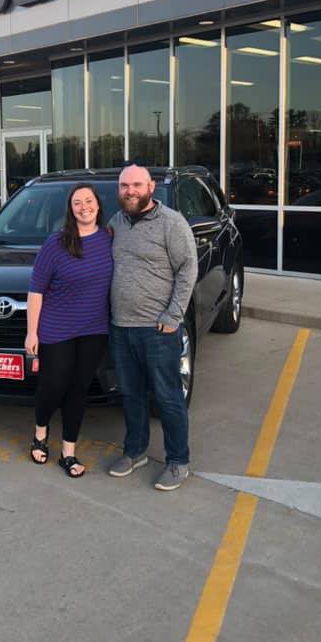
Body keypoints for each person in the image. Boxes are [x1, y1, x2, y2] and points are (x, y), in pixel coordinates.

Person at [107, 164, 198, 491]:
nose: (129, 191)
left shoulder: (171, 222)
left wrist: (173, 316)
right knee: (131, 394)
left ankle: (178, 461)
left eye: (136, 185)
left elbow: (188, 268)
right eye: (124, 186)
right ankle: (135, 452)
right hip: (121, 327)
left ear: (150, 187)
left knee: (167, 397)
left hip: (158, 330)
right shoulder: (116, 223)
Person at [25, 184, 113, 477]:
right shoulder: (56, 243)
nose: (84, 206)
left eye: (89, 200)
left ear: (98, 204)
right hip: (56, 328)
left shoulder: (109, 239)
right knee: (54, 385)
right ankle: (40, 432)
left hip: (94, 329)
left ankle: (68, 453)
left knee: (78, 389)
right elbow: (36, 291)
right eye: (77, 202)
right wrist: (32, 333)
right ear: (71, 209)